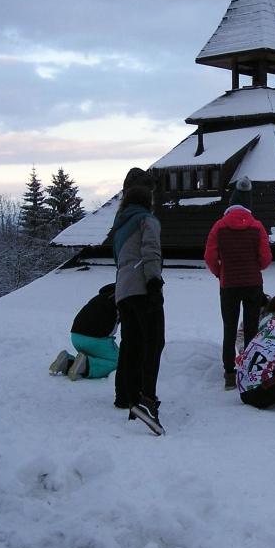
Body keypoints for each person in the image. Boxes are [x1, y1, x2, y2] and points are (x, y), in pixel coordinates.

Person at [204, 176, 273, 390]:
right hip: (253, 284)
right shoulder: (257, 227)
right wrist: (255, 268)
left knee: (229, 328)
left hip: (229, 285)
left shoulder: (219, 227)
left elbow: (209, 256)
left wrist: (220, 272)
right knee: (252, 328)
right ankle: (250, 370)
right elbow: (266, 258)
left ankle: (228, 375)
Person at [112, 185, 166, 435]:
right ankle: (147, 401)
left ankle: (130, 399)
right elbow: (150, 250)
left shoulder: (120, 226)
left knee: (132, 345)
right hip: (143, 287)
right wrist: (154, 283)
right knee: (154, 343)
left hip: (122, 291)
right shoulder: (147, 220)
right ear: (148, 201)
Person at [49, 284, 120, 380]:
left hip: (76, 336)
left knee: (98, 357)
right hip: (95, 339)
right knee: (120, 362)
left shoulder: (105, 295)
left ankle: (67, 362)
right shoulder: (122, 297)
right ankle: (86, 365)